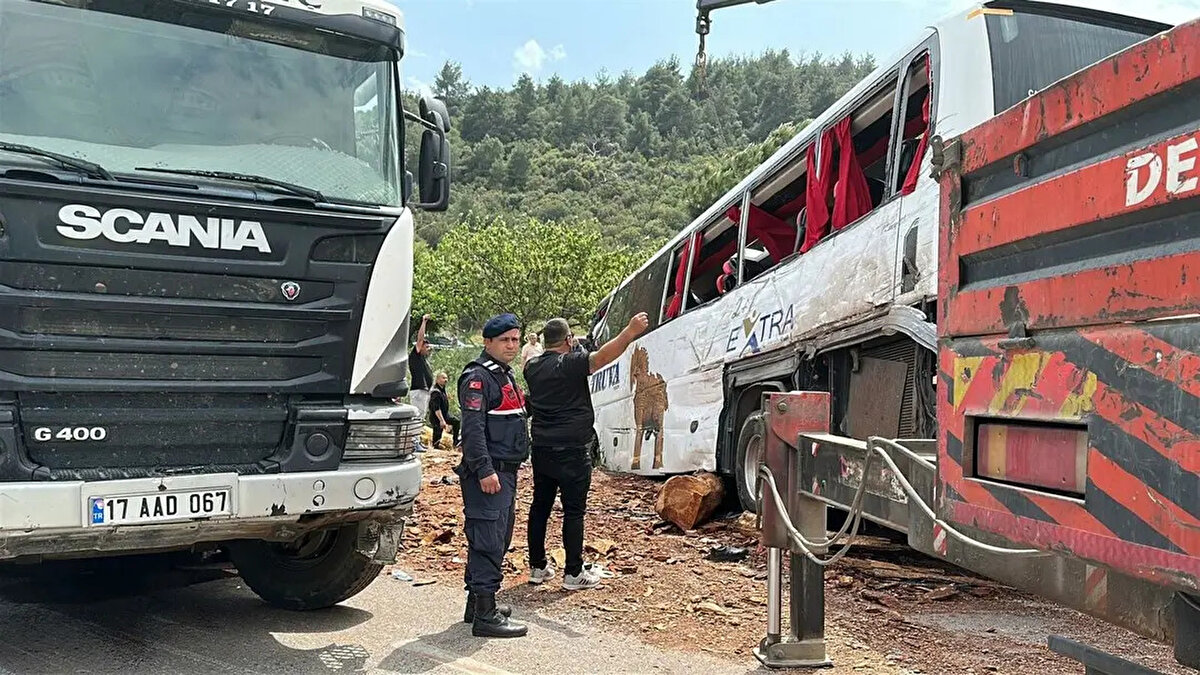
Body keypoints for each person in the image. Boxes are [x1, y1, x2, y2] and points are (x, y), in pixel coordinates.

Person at [523, 312, 650, 590]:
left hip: (542, 448)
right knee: (573, 511)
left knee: (540, 506)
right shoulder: (570, 363)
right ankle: (573, 573)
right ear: (568, 340)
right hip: (572, 448)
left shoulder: (531, 367)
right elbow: (602, 357)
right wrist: (629, 331)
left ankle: (537, 566)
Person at [456, 313, 529, 638]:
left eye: (516, 339)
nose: (512, 345)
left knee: (497, 537)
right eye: (505, 340)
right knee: (488, 540)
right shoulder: (477, 377)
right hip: (490, 474)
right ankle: (486, 616)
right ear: (488, 342)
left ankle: (478, 604)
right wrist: (484, 469)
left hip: (504, 474)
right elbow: (472, 430)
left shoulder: (503, 375)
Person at [408, 314, 434, 427]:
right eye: (426, 347)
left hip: (424, 391)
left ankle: (416, 439)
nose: (429, 349)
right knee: (417, 417)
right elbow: (420, 338)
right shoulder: (416, 355)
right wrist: (424, 322)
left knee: (421, 417)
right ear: (421, 346)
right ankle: (414, 440)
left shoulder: (422, 359)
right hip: (418, 391)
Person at [428, 371, 460, 449]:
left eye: (446, 378)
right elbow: (436, 409)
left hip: (445, 414)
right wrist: (442, 420)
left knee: (456, 421)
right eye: (443, 378)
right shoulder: (435, 392)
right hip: (436, 417)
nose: (445, 380)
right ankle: (435, 446)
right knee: (438, 432)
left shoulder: (442, 389)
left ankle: (455, 442)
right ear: (437, 380)